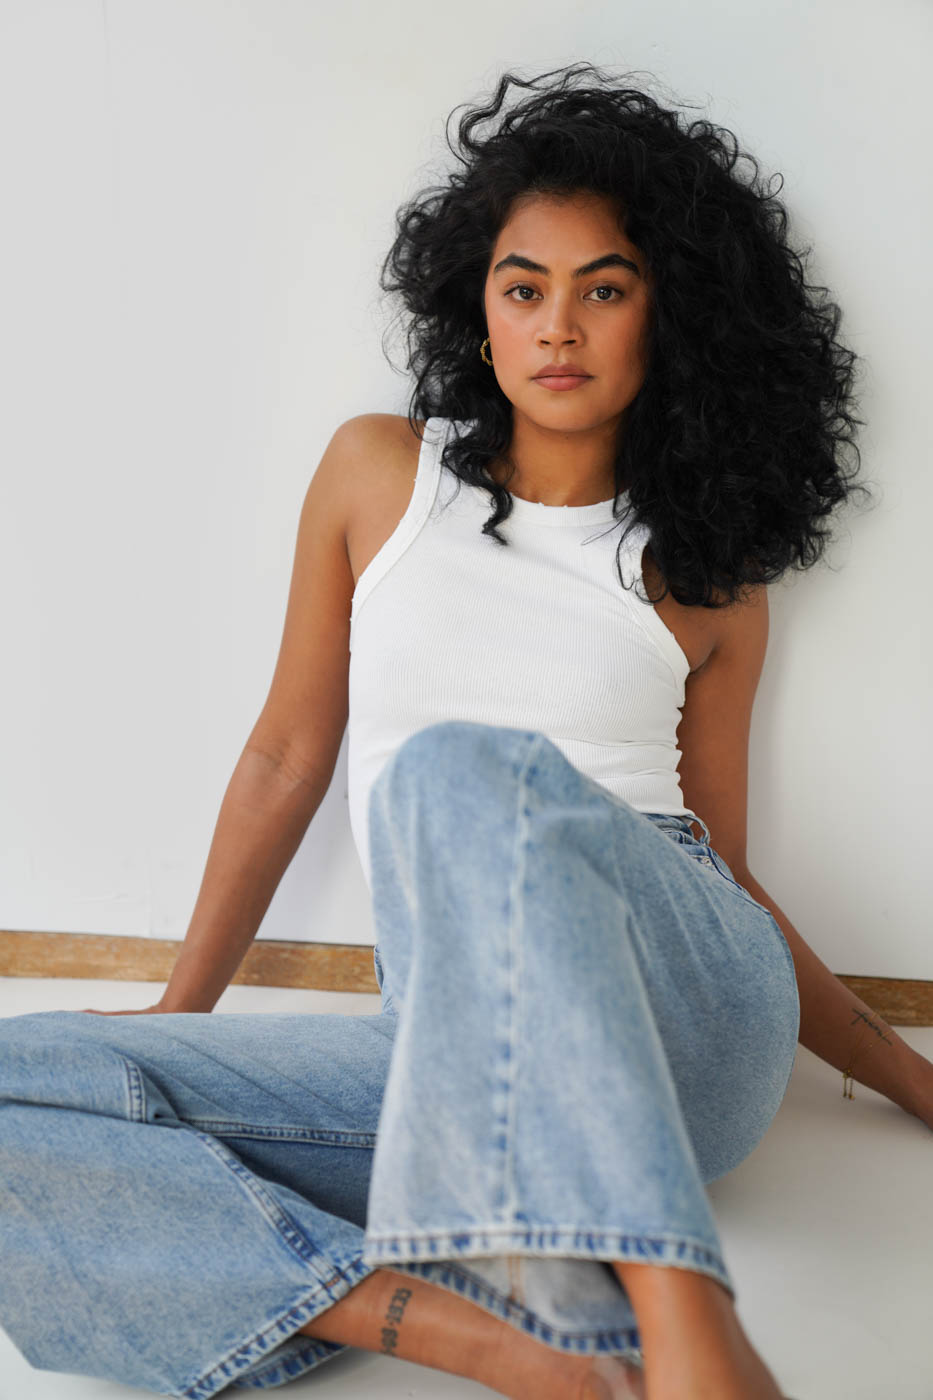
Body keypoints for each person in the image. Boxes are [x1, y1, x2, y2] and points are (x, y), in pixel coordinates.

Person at [2, 61, 931, 1400]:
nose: (558, 327)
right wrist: (177, 1014)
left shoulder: (707, 574)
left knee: (457, 772)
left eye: (603, 289)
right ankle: (509, 1347)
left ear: (666, 316)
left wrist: (910, 1078)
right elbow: (284, 756)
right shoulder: (380, 473)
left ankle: (682, 1313)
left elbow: (720, 885)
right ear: (479, 314)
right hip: (451, 1046)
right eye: (523, 288)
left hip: (682, 1026)